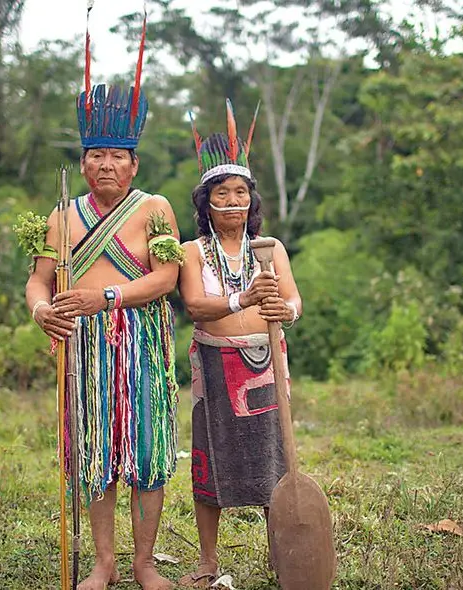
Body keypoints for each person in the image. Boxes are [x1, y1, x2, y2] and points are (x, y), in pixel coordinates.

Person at [25, 18, 184, 590]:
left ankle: (144, 562)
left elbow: (166, 278)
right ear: (84, 161)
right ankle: (104, 563)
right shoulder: (62, 215)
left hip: (140, 343)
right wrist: (42, 311)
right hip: (84, 350)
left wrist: (106, 297)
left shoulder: (155, 208)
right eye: (97, 155)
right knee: (94, 453)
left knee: (145, 450)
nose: (107, 165)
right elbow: (39, 281)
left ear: (134, 164)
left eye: (118, 155)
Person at [176, 102, 303, 587]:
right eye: (222, 193)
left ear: (252, 200)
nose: (233, 201)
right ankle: (208, 560)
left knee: (275, 458)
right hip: (215, 364)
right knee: (210, 462)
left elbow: (294, 300)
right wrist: (242, 298)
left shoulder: (270, 248)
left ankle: (281, 555)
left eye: (241, 192)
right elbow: (195, 305)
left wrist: (285, 312)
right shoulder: (192, 252)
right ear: (206, 203)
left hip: (265, 363)